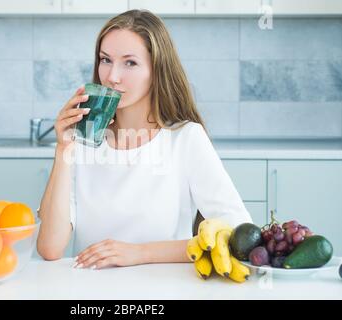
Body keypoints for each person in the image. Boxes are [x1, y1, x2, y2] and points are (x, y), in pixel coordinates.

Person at [37, 9, 252, 269]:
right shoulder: (82, 142)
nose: (112, 76)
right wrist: (63, 149)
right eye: (105, 60)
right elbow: (50, 248)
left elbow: (237, 234)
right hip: (90, 291)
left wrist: (139, 253)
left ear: (157, 70)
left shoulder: (185, 139)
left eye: (130, 63)